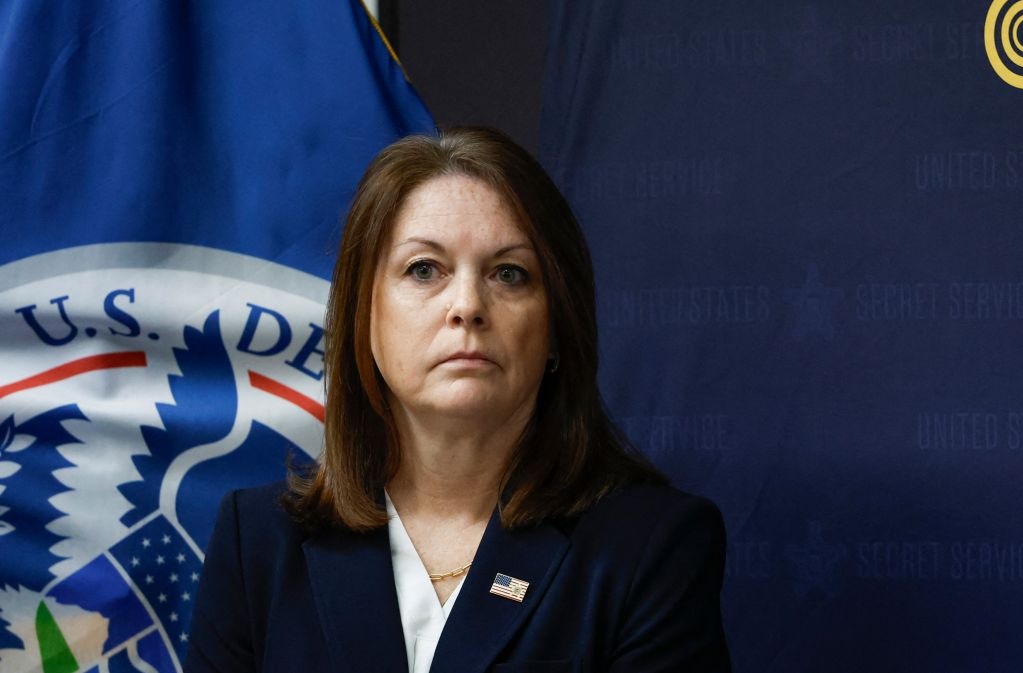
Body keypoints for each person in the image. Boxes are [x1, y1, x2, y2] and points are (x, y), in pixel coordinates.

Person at [185, 127, 731, 672]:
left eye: (509, 274)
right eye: (424, 270)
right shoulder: (256, 542)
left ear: (556, 328)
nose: (467, 305)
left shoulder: (651, 549)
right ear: (364, 315)